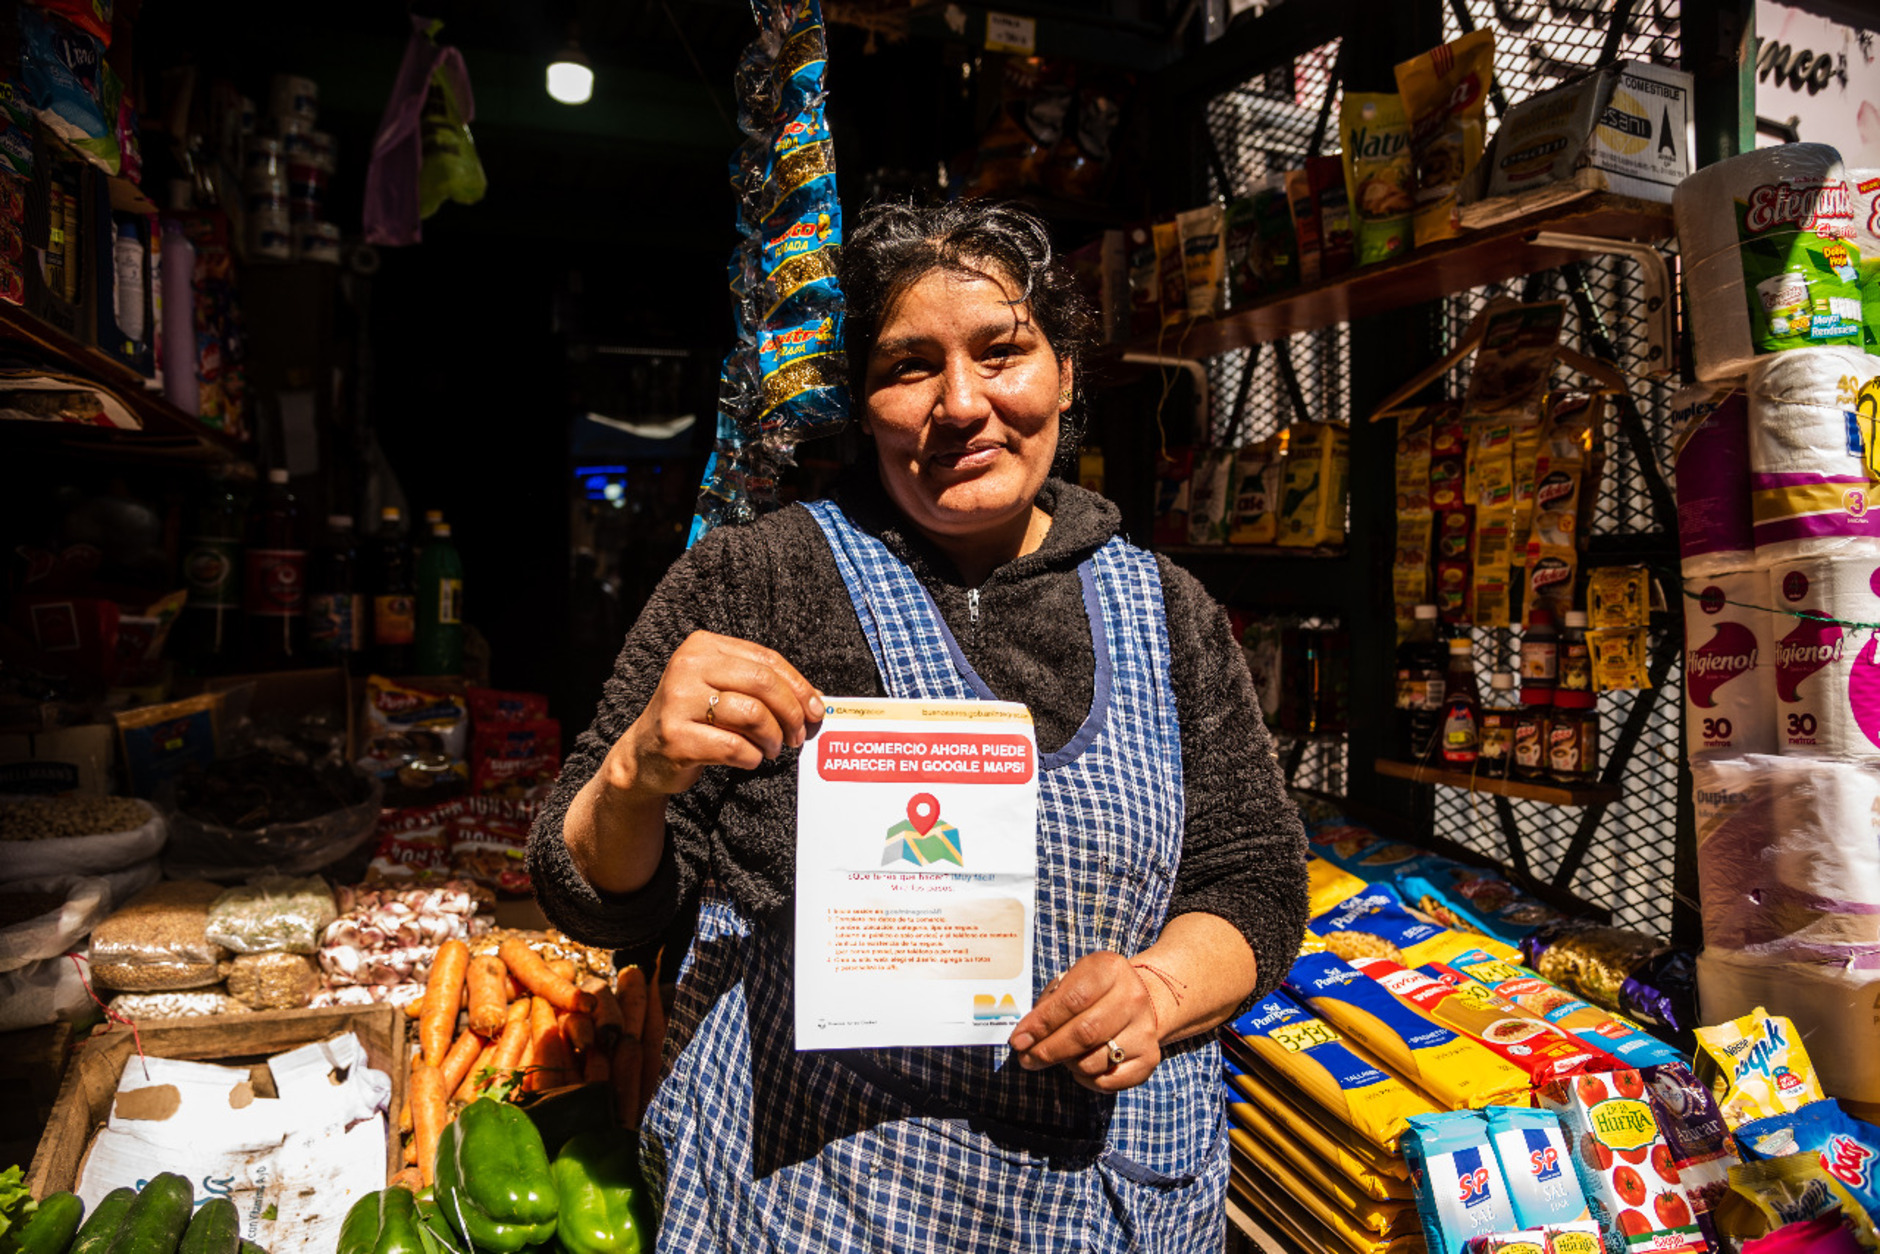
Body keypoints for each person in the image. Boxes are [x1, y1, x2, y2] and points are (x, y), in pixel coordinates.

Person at [527, 200, 1308, 1251]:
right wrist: (633, 777)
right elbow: (592, 898)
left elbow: (1251, 876)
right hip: (816, 1193)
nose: (960, 404)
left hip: (1105, 1196)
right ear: (861, 401)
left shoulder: (1167, 612)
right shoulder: (759, 580)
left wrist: (1159, 991)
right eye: (907, 365)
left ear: (1065, 372)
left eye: (1002, 351)